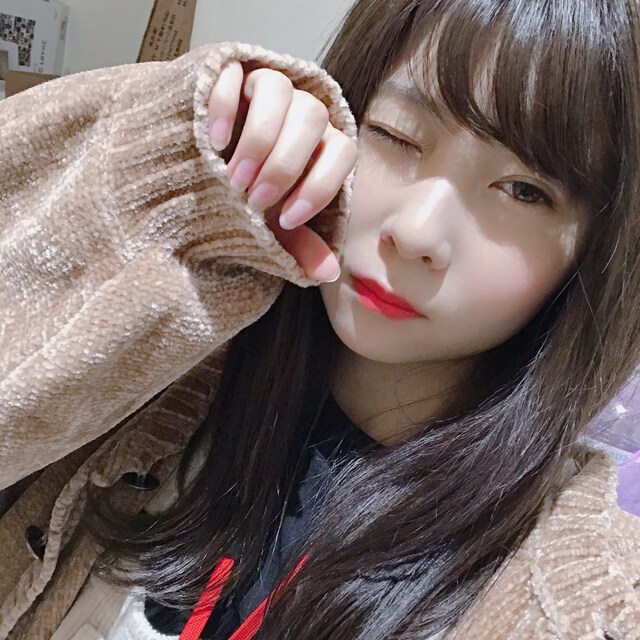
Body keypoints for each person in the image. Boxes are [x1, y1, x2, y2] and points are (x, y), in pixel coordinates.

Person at [0, 0, 639, 638]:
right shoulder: (165, 365)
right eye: (396, 135)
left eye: (524, 191)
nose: (418, 232)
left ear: (593, 255)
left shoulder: (569, 597)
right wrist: (160, 171)